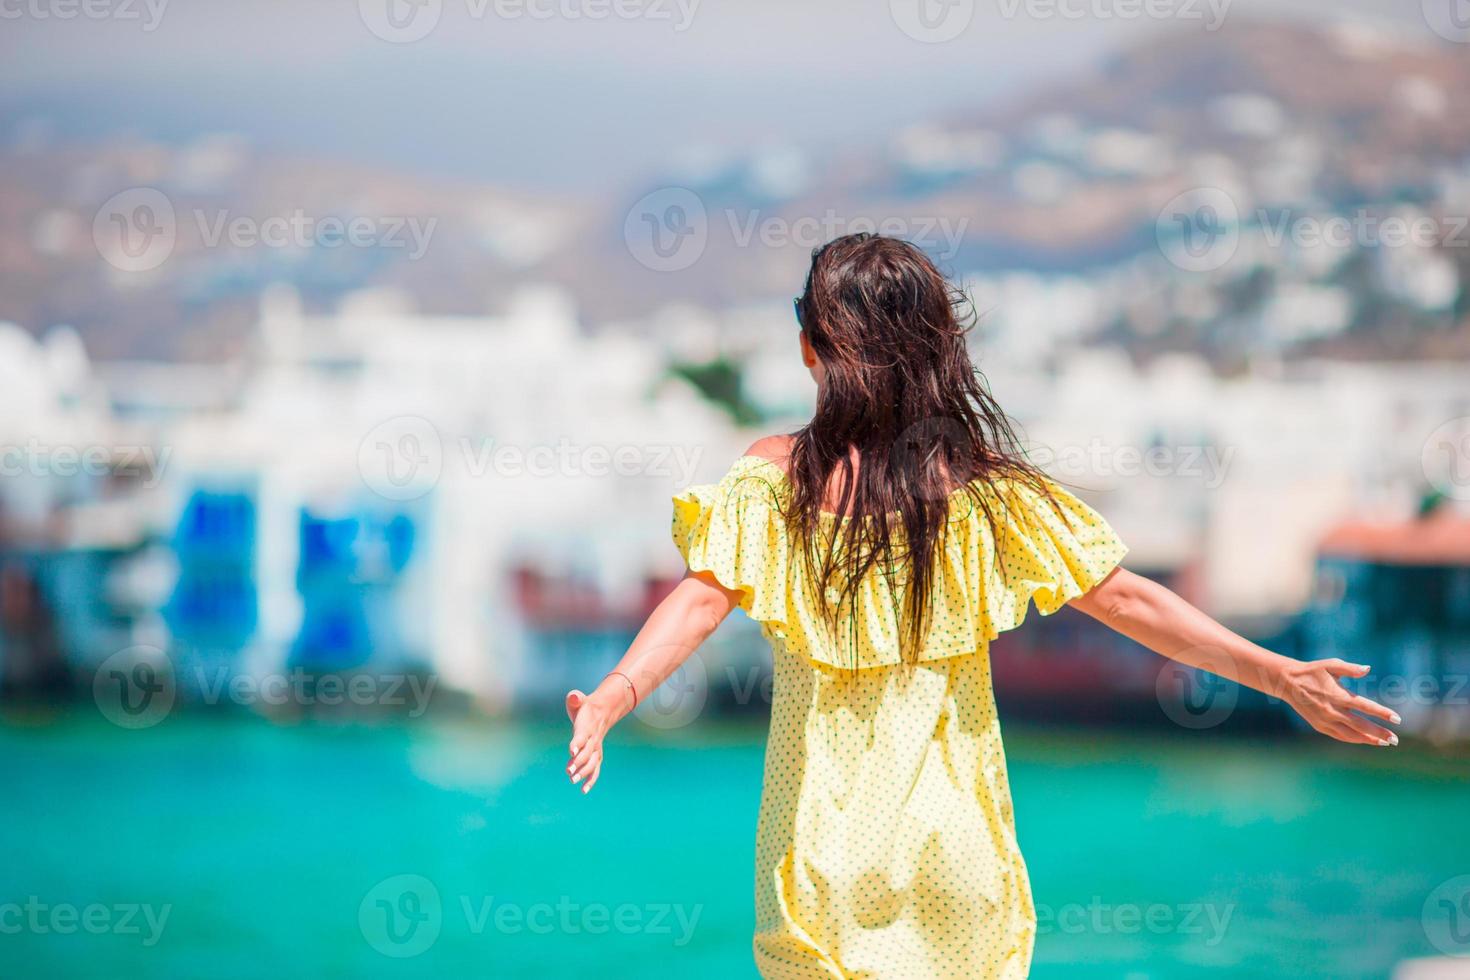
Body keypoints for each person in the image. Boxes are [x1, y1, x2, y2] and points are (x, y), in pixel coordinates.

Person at [564, 233, 1399, 979]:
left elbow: (701, 601)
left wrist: (613, 697)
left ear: (813, 348)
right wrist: (1281, 675)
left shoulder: (776, 479)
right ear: (934, 349)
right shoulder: (980, 489)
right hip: (957, 854)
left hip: (821, 852)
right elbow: (1127, 599)